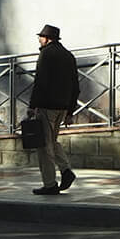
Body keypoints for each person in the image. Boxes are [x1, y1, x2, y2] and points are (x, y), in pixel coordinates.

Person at [27, 24, 79, 196]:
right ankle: (66, 171)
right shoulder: (68, 55)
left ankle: (50, 184)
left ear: (48, 39)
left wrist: (32, 106)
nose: (39, 40)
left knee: (43, 146)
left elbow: (40, 82)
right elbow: (75, 86)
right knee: (52, 141)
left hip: (47, 107)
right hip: (62, 107)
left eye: (41, 37)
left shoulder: (46, 54)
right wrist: (70, 111)